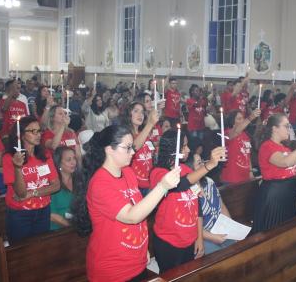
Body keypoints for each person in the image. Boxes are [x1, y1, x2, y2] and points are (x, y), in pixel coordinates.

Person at [72, 125, 181, 282]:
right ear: (109, 149)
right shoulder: (100, 183)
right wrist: (162, 186)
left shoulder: (128, 172)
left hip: (137, 263)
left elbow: (139, 209)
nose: (133, 152)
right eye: (127, 148)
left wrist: (143, 248)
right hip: (113, 270)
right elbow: (131, 216)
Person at [149, 130, 226, 273]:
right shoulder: (157, 173)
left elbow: (198, 207)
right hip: (169, 242)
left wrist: (199, 238)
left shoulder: (185, 169)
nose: (188, 150)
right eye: (184, 146)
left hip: (190, 240)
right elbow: (180, 184)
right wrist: (209, 164)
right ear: (173, 150)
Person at [251, 114, 296, 234]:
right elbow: (287, 162)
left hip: (288, 194)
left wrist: (295, 201)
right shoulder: (267, 146)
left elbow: (290, 172)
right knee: (272, 233)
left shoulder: (284, 148)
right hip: (274, 197)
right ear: (274, 128)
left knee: (287, 232)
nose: (289, 129)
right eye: (286, 126)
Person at [3, 116, 61, 242]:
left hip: (43, 210)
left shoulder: (45, 155)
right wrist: (18, 168)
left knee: (40, 249)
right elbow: (20, 193)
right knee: (20, 252)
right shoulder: (10, 157)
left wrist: (32, 193)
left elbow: (56, 186)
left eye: (39, 131)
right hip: (20, 214)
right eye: (33, 131)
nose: (38, 135)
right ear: (22, 135)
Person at [121, 102, 159, 195]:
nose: (140, 115)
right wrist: (150, 124)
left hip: (149, 182)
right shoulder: (125, 135)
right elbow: (133, 148)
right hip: (135, 184)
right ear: (129, 114)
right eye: (136, 111)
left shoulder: (145, 133)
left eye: (142, 112)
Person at [220, 108, 260, 184]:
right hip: (232, 176)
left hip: (245, 175)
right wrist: (250, 117)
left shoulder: (245, 135)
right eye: (239, 119)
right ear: (232, 121)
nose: (242, 121)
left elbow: (247, 155)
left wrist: (250, 172)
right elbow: (236, 132)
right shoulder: (226, 133)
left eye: (243, 119)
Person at [199, 176, 236, 254]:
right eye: (199, 163)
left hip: (219, 227)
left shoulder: (209, 181)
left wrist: (230, 226)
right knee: (220, 256)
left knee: (236, 250)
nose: (204, 165)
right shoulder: (185, 190)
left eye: (203, 163)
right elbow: (191, 228)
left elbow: (221, 206)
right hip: (202, 235)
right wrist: (212, 237)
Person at [50, 146, 77, 230]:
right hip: (58, 231)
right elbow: (51, 215)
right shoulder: (52, 185)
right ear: (59, 164)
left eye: (74, 158)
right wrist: (72, 227)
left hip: (78, 226)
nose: (73, 162)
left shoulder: (79, 180)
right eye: (68, 160)